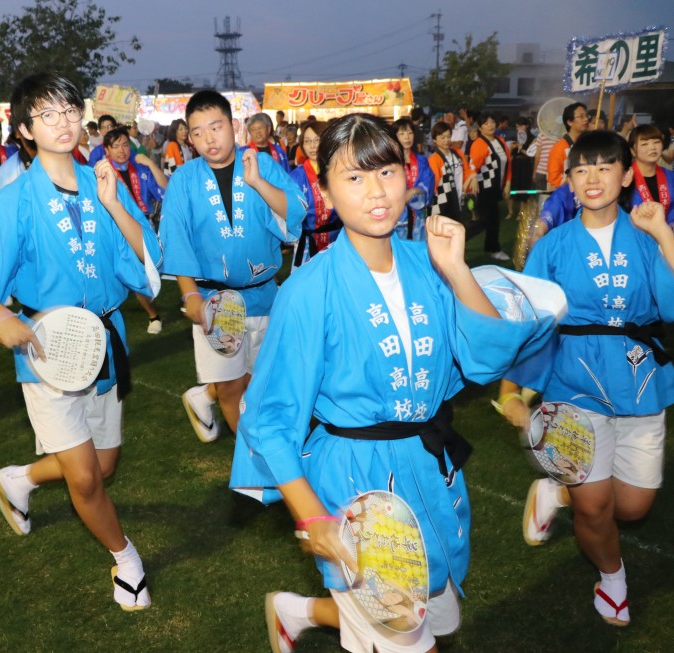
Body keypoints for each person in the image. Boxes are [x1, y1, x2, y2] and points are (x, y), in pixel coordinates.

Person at [228, 112, 557, 653]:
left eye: (385, 171)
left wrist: (456, 270)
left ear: (409, 179)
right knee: (411, 640)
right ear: (326, 194)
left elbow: (482, 362)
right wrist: (313, 516)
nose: (375, 191)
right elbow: (270, 418)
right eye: (353, 177)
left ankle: (300, 611)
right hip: (357, 487)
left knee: (438, 614)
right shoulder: (309, 290)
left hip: (431, 468)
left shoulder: (428, 262)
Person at [0, 72, 161, 612]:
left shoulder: (103, 182)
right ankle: (126, 558)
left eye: (69, 110)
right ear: (25, 128)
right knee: (86, 476)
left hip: (104, 343)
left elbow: (149, 260)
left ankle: (19, 478)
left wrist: (114, 204)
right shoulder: (14, 200)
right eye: (47, 114)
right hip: (47, 351)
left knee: (103, 467)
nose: (63, 122)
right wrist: (0, 316)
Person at [498, 130, 674, 628]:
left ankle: (556, 493)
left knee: (633, 507)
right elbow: (531, 322)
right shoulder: (552, 246)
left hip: (640, 381)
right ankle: (612, 578)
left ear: (625, 175)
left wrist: (663, 234)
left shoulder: (647, 237)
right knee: (596, 508)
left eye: (604, 166)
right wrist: (512, 389)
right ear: (569, 182)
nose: (593, 177)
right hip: (573, 382)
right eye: (582, 169)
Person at [159, 90, 304, 443]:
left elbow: (295, 211)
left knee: (268, 383)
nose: (209, 138)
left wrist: (257, 183)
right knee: (231, 390)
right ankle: (257, 460)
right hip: (215, 301)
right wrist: (189, 294)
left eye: (216, 126)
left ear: (234, 126)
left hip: (266, 297)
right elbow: (176, 237)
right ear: (189, 137)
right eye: (198, 132)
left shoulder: (261, 164)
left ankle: (207, 401)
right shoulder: (185, 179)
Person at [103, 127, 168, 334]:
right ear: (107, 150)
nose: (121, 150)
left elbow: (166, 190)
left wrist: (149, 162)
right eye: (115, 146)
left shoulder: (140, 169)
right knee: (138, 273)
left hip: (145, 226)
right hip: (118, 229)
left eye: (124, 144)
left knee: (152, 269)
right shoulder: (102, 174)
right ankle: (153, 315)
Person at [289, 120, 340, 269]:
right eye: (307, 141)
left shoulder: (339, 170)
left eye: (317, 140)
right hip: (307, 242)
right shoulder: (296, 176)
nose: (312, 146)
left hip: (336, 239)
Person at [469, 113, 512, 260]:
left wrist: (507, 183)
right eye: (486, 123)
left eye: (492, 121)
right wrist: (472, 181)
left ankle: (492, 248)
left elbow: (508, 163)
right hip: (484, 189)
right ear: (480, 128)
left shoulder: (500, 141)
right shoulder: (479, 144)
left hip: (496, 189)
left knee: (490, 220)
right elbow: (472, 166)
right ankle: (493, 249)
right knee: (485, 221)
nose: (491, 125)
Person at [391, 118, 434, 241]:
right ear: (395, 137)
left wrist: (413, 191)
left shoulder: (421, 160)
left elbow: (429, 181)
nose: (407, 137)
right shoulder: (390, 162)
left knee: (418, 249)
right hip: (397, 215)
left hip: (417, 214)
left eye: (410, 133)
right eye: (402, 133)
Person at [427, 121, 476, 222]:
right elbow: (433, 186)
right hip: (443, 204)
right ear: (435, 140)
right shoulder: (434, 160)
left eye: (448, 136)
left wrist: (473, 176)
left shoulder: (457, 153)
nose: (446, 140)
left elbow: (467, 170)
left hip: (458, 200)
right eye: (442, 137)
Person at [628, 124, 673, 225]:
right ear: (632, 151)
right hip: (635, 236)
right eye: (644, 144)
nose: (652, 147)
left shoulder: (671, 176)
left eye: (657, 142)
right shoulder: (624, 178)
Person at [547, 102, 590, 189]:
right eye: (581, 116)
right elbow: (553, 179)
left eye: (586, 116)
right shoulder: (559, 148)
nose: (586, 119)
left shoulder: (588, 144)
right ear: (570, 122)